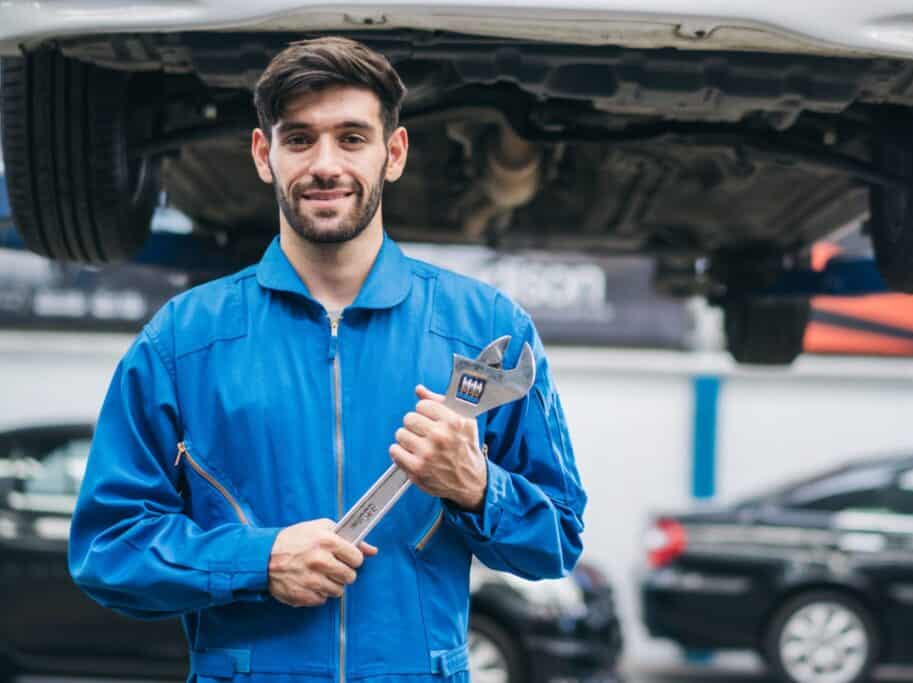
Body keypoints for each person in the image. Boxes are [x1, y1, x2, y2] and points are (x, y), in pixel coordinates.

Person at [68, 36, 586, 683]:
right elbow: (106, 549)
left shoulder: (483, 326)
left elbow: (558, 540)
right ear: (266, 155)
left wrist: (479, 486)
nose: (324, 164)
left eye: (351, 137)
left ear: (392, 154)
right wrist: (257, 560)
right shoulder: (183, 340)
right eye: (300, 138)